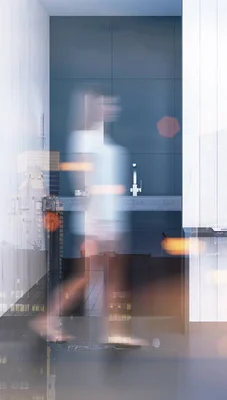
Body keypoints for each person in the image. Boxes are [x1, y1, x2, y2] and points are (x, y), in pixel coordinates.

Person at [31, 89, 143, 346]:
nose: (110, 107)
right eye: (104, 103)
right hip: (97, 225)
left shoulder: (103, 141)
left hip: (112, 223)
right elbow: (85, 184)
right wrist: (96, 225)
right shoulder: (84, 140)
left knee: (114, 279)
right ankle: (47, 320)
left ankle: (115, 331)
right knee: (86, 277)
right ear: (93, 108)